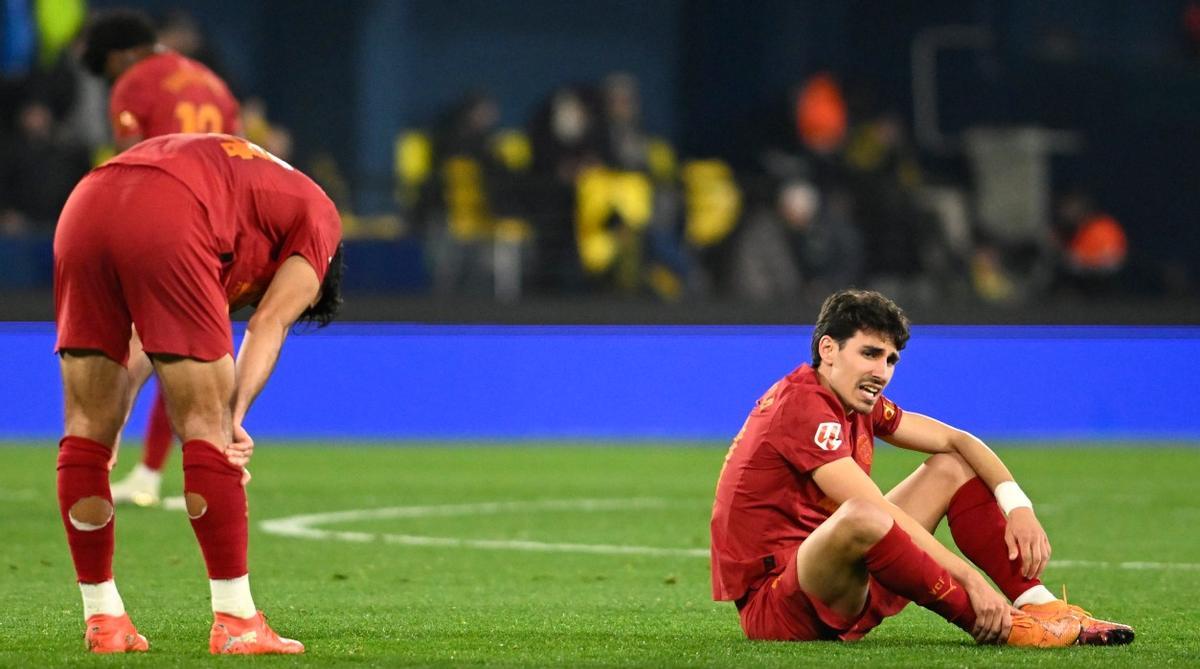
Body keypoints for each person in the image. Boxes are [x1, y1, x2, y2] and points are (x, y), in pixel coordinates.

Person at [710, 289, 1134, 647]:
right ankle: (1004, 627)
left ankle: (1037, 603)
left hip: (841, 579)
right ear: (828, 350)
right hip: (780, 606)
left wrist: (1017, 506)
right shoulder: (803, 405)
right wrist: (970, 579)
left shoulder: (852, 398)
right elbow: (871, 509)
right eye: (870, 353)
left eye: (891, 360)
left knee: (950, 467)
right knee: (863, 513)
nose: (882, 372)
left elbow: (958, 441)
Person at [54, 133, 344, 654]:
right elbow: (270, 321)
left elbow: (146, 336)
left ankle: (104, 622)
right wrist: (233, 415)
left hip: (88, 202)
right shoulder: (321, 220)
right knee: (207, 431)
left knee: (86, 433)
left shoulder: (254, 192)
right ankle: (237, 622)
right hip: (173, 210)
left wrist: (116, 416)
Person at [80, 9, 243, 505]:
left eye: (106, 68)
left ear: (122, 55)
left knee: (133, 346)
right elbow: (238, 155)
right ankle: (158, 471)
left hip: (160, 221)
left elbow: (130, 159)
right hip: (216, 224)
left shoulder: (134, 82)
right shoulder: (215, 85)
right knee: (185, 348)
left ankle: (95, 460)